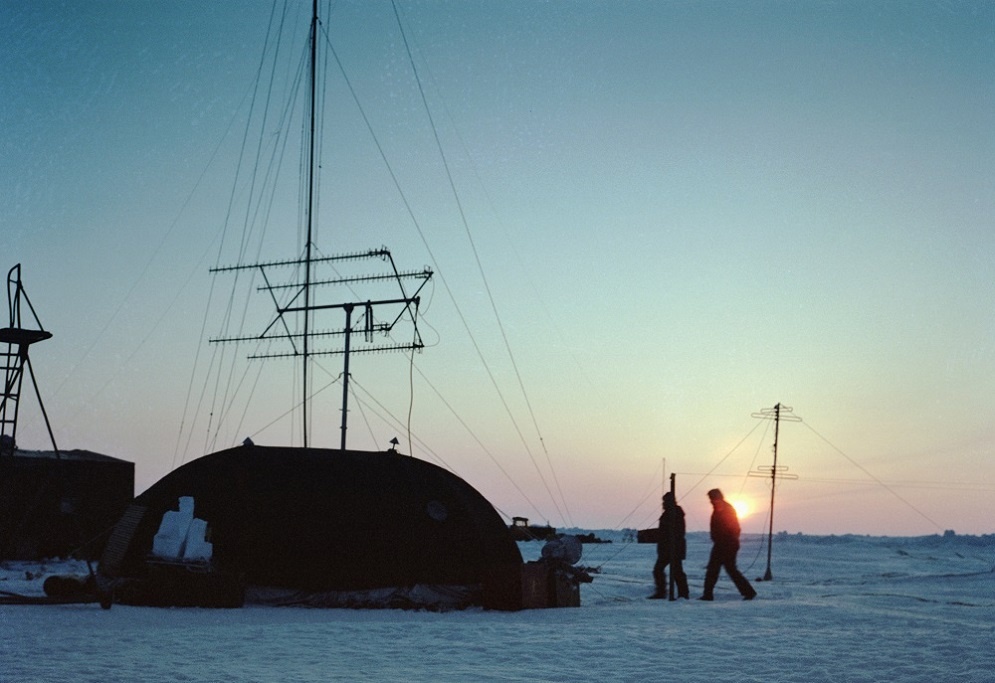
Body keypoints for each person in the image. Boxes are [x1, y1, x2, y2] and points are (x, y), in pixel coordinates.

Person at [700, 488, 757, 601]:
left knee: (725, 569)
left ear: (717, 497)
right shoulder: (718, 509)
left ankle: (749, 592)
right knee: (717, 569)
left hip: (727, 545)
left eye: (712, 498)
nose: (710, 501)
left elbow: (735, 528)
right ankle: (708, 594)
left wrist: (727, 541)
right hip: (722, 544)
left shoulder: (726, 509)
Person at [650, 492, 689, 599]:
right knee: (660, 570)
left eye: (665, 501)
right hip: (666, 548)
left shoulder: (675, 513)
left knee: (676, 572)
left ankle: (682, 594)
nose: (663, 503)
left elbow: (677, 531)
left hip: (673, 548)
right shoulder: (668, 513)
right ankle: (663, 592)